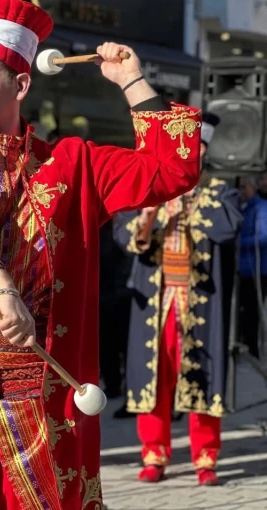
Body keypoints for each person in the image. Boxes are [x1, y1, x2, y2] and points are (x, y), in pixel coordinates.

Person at [0, 1, 203, 509]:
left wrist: (132, 82)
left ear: (21, 84)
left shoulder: (72, 164)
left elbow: (173, 171)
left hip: (43, 394)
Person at [114, 112, 242, 486]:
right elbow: (124, 236)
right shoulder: (148, 185)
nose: (189, 154)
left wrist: (190, 196)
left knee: (201, 374)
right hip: (155, 299)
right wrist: (151, 213)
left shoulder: (220, 190)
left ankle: (206, 458)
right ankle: (154, 453)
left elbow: (228, 227)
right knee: (153, 375)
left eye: (196, 149)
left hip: (199, 298)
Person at [238, 175, 267, 360]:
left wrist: (239, 243)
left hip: (257, 270)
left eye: (244, 188)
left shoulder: (261, 209)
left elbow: (264, 237)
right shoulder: (244, 208)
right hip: (244, 269)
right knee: (243, 309)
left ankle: (254, 349)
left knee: (253, 311)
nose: (241, 192)